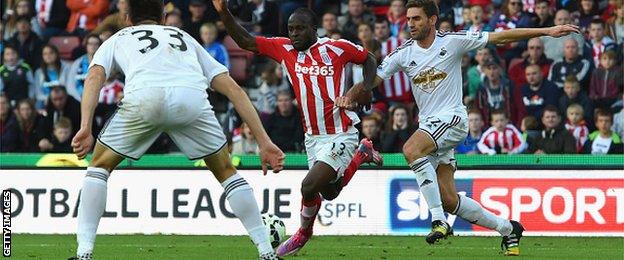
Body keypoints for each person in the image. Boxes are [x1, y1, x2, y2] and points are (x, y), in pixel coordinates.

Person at [338, 0, 579, 255]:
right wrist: (348, 97)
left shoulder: (452, 41)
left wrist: (547, 30)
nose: (411, 24)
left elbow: (500, 37)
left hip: (453, 120)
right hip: (431, 129)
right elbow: (371, 80)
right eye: (408, 19)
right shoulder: (404, 53)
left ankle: (438, 220)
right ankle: (508, 228)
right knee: (450, 200)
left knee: (411, 149)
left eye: (417, 18)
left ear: (432, 20)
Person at [68, 0, 286, 259]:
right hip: (191, 100)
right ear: (162, 18)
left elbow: (94, 77)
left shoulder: (119, 37)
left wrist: (85, 126)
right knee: (227, 172)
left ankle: (84, 253)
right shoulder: (183, 36)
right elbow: (233, 89)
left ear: (127, 18)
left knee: (99, 167)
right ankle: (265, 251)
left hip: (144, 99)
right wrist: (264, 141)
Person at [213, 1, 383, 257]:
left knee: (308, 186)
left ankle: (303, 232)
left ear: (314, 29)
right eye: (291, 29)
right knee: (331, 191)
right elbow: (246, 41)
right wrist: (223, 13)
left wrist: (366, 88)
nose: (294, 34)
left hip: (341, 131)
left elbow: (368, 58)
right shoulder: (284, 48)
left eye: (300, 29)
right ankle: (362, 154)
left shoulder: (336, 48)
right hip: (312, 138)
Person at [67, 34, 102, 102]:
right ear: (86, 46)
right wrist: (80, 100)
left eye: (96, 44)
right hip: (79, 100)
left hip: (99, 101)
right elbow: (70, 85)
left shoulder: (104, 62)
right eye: (90, 44)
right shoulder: (77, 63)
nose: (93, 46)